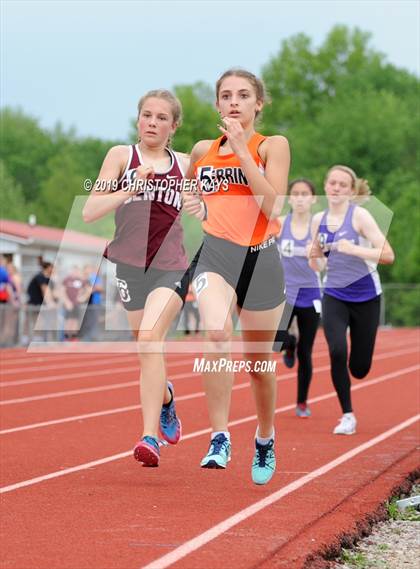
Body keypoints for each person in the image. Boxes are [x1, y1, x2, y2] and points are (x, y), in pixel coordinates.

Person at [184, 68, 290, 485]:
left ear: (257, 104)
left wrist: (243, 151)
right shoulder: (201, 150)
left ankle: (265, 436)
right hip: (217, 256)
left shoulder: (272, 146)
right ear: (216, 104)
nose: (233, 102)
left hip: (261, 260)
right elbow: (189, 187)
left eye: (243, 95)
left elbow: (272, 207)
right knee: (214, 332)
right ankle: (219, 435)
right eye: (226, 95)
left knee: (259, 365)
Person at [83, 89, 189, 467]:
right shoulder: (121, 156)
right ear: (138, 119)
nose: (152, 123)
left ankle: (148, 437)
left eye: (161, 118)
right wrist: (130, 187)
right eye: (147, 115)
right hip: (129, 266)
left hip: (171, 266)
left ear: (173, 126)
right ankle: (167, 399)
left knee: (149, 340)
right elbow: (90, 211)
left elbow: (218, 202)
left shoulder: (186, 164)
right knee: (147, 351)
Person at [309, 165, 394, 435]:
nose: (336, 188)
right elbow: (318, 264)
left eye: (342, 185)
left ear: (351, 190)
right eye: (332, 183)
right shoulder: (317, 220)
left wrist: (354, 249)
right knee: (336, 351)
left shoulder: (360, 216)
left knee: (359, 367)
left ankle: (358, 367)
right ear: (325, 186)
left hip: (367, 296)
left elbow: (388, 255)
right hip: (334, 294)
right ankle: (347, 415)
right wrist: (314, 256)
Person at [273, 179, 321, 418]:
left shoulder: (319, 227)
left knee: (307, 353)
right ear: (289, 198)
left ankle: (302, 402)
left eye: (305, 194)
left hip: (311, 294)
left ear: (313, 198)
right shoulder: (281, 224)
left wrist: (318, 256)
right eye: (296, 194)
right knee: (276, 340)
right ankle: (289, 344)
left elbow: (324, 264)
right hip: (285, 292)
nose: (300, 198)